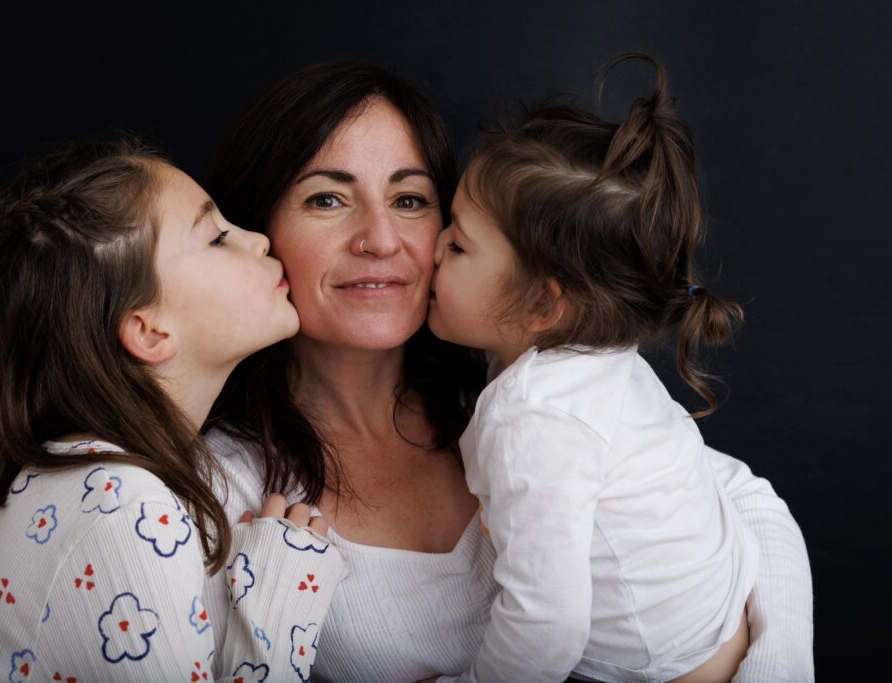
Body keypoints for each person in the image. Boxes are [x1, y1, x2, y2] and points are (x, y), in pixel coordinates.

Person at [201, 61, 814, 682]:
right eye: (327, 199)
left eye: (410, 199)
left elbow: (742, 499)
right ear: (253, 229)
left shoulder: (511, 387)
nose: (382, 239)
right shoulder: (224, 487)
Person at [0, 138, 347, 681]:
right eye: (216, 237)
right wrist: (280, 606)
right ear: (148, 330)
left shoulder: (86, 480)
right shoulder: (124, 507)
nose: (259, 240)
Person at [427, 53, 756, 682]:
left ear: (545, 304)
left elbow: (547, 624)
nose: (433, 246)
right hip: (715, 609)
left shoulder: (536, 417)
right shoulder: (595, 355)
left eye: (459, 243)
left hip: (677, 663)